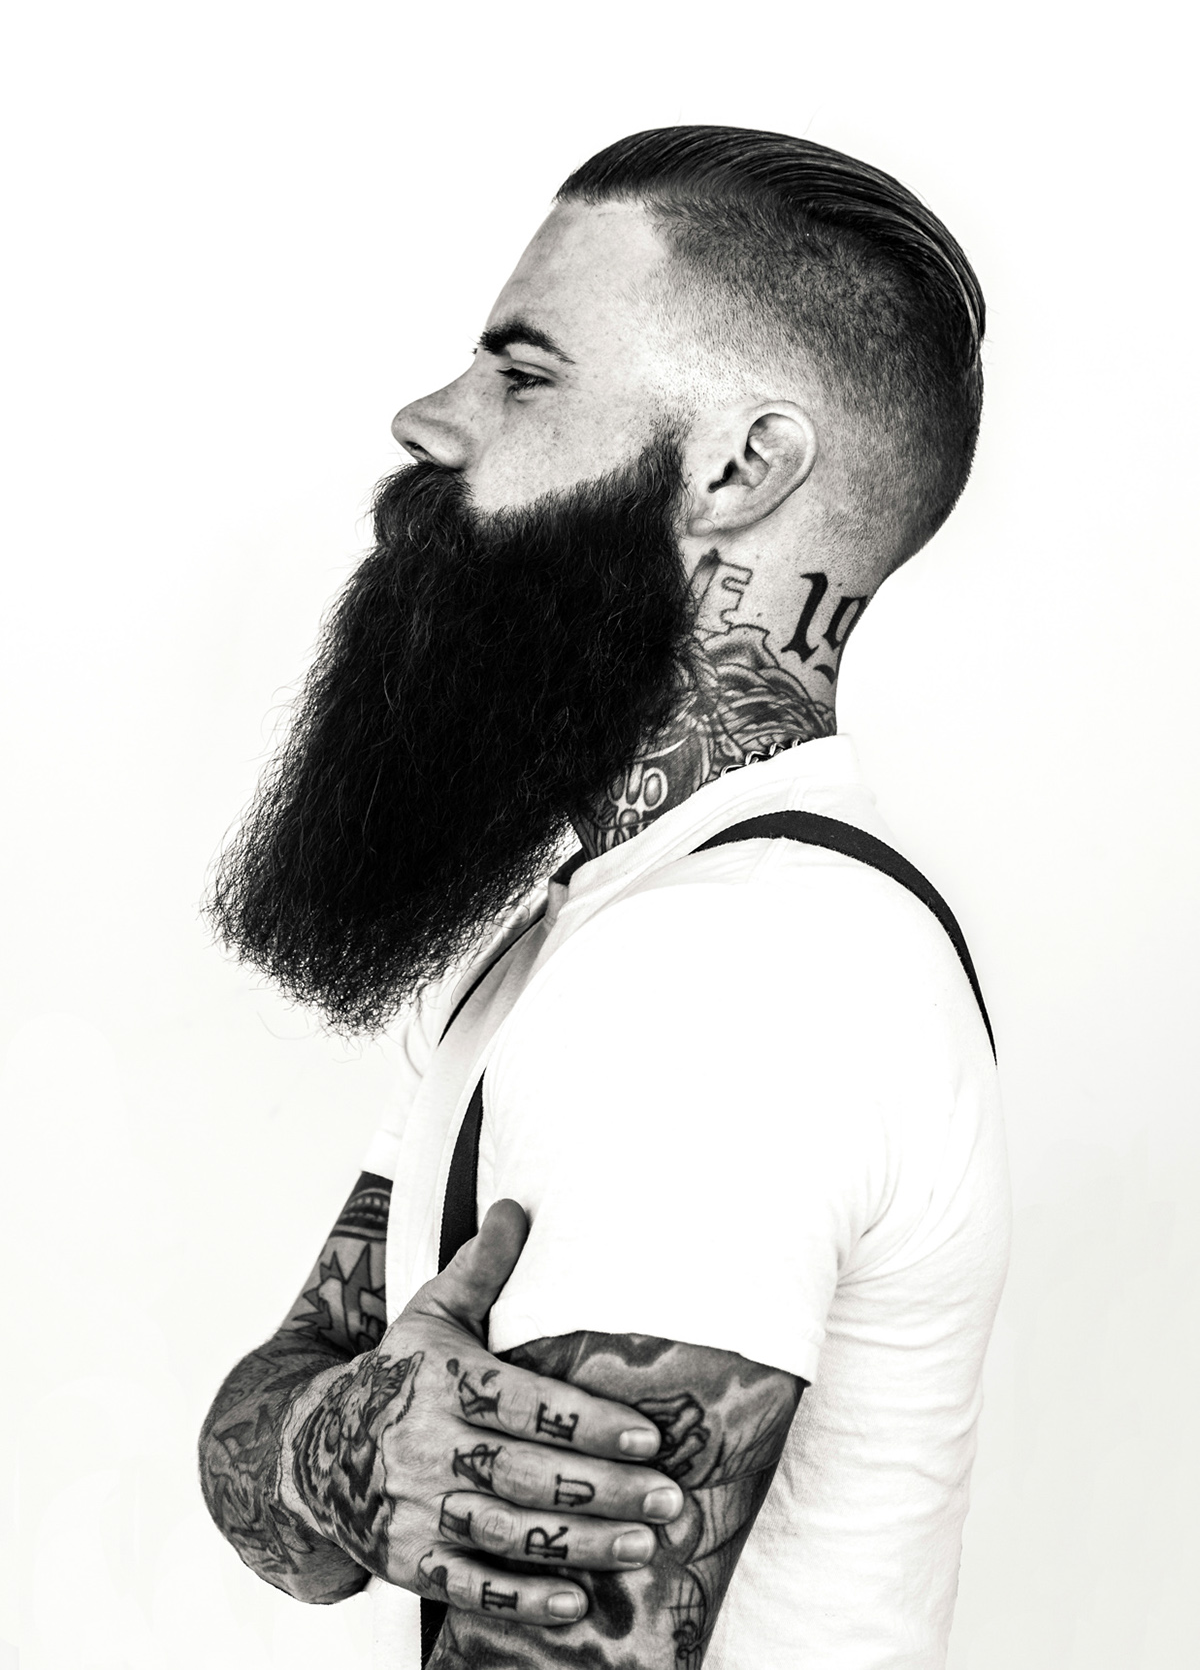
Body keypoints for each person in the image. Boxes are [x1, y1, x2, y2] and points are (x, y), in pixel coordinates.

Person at [198, 125, 1009, 1669]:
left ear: (740, 468)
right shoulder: (584, 927)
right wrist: (330, 1438)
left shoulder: (732, 971)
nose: (428, 419)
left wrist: (321, 1439)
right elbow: (275, 1453)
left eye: (523, 374)